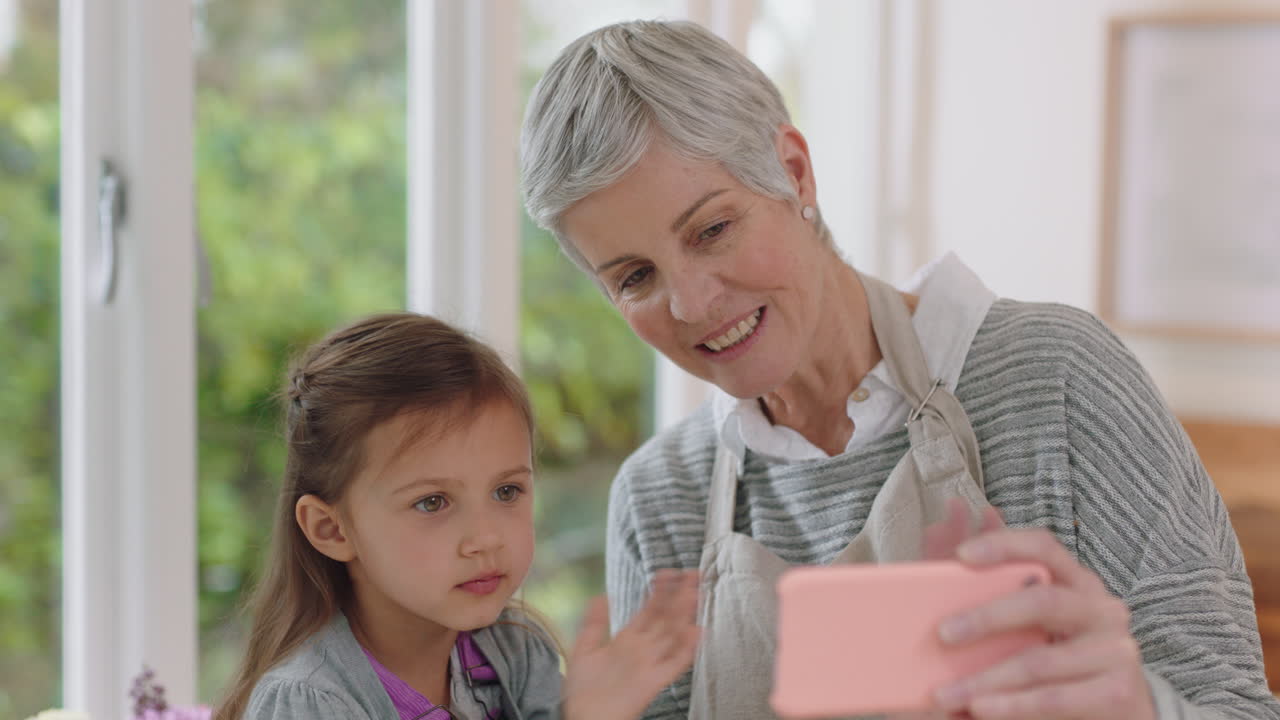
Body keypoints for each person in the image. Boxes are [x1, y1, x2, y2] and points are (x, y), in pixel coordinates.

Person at [519, 19, 1280, 720]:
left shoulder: (1056, 383)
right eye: (634, 278)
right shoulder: (661, 500)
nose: (690, 304)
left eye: (712, 229)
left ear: (794, 174)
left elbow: (1237, 707)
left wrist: (1140, 709)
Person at [214, 313, 700, 720]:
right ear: (331, 529)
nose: (485, 538)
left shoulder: (514, 652)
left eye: (507, 491)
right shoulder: (309, 702)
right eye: (432, 502)